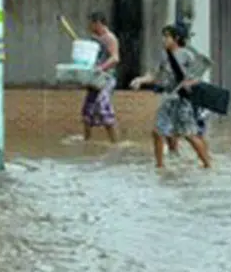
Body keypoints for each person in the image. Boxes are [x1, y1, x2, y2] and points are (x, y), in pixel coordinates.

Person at [130, 25, 211, 169]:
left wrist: (189, 83)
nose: (163, 39)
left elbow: (197, 77)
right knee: (157, 132)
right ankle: (159, 166)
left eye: (167, 36)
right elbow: (155, 75)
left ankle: (207, 164)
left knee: (189, 135)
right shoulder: (164, 55)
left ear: (176, 38)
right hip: (168, 99)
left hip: (183, 101)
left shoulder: (187, 55)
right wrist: (140, 80)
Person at [82, 12, 120, 142]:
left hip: (106, 78)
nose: (89, 26)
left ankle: (115, 142)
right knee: (87, 111)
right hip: (94, 78)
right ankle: (87, 140)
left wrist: (101, 68)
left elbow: (115, 58)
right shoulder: (94, 38)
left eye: (91, 23)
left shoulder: (110, 38)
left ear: (98, 23)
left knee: (103, 108)